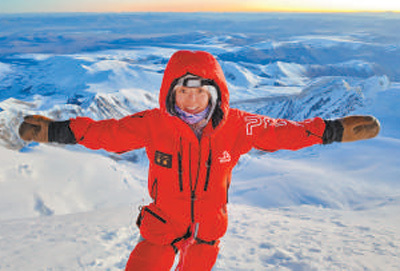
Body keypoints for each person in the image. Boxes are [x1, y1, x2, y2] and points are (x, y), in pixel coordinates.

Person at [18, 50, 380, 271]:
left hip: (207, 234)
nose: (191, 101)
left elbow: (284, 132)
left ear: (215, 92)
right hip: (161, 230)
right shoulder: (154, 124)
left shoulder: (238, 124)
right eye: (183, 92)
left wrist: (331, 130)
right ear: (171, 92)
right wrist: (55, 132)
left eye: (200, 92)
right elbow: (104, 133)